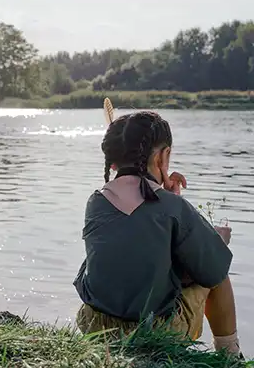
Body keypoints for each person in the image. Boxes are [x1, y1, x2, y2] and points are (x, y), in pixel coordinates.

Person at [73, 111, 241, 356]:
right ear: (164, 156)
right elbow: (213, 268)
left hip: (95, 324)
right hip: (154, 330)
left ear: (112, 162)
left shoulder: (95, 202)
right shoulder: (172, 207)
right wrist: (216, 239)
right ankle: (230, 355)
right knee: (219, 276)